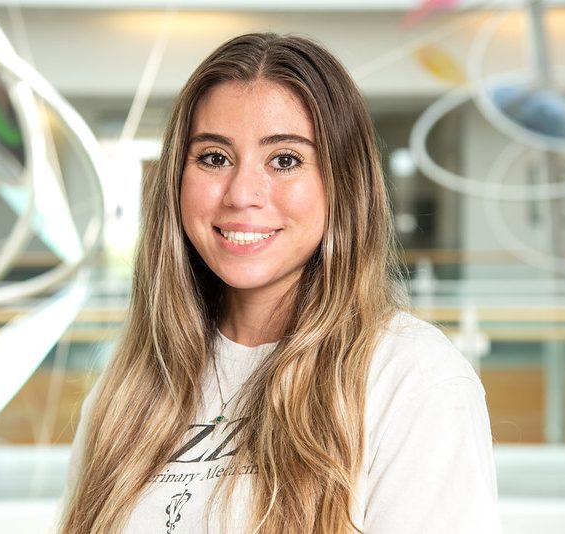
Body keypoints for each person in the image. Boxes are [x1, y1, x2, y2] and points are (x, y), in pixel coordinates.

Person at [60, 32, 502, 534]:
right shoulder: (128, 391)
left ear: (344, 184)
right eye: (214, 157)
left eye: (285, 160)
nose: (242, 194)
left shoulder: (412, 377)